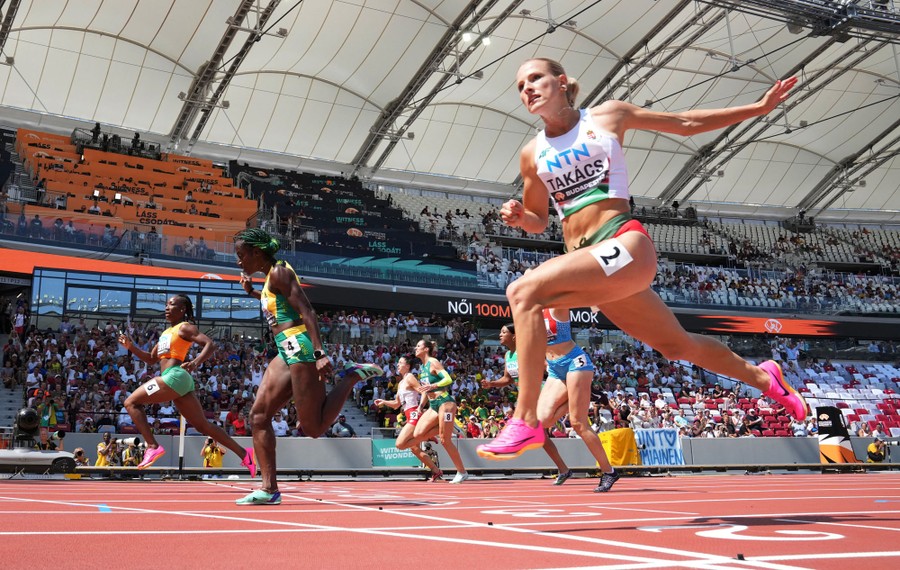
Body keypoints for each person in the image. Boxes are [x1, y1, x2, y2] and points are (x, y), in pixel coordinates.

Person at [476, 58, 808, 459]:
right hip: (592, 265)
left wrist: (757, 109)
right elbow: (537, 219)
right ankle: (766, 377)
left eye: (535, 78)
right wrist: (519, 217)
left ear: (561, 82)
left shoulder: (607, 116)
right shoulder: (532, 153)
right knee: (677, 346)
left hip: (624, 244)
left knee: (523, 290)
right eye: (519, 86)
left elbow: (685, 123)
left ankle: (525, 419)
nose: (526, 88)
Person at [233, 228, 382, 505]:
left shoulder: (279, 272)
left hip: (300, 347)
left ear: (256, 252)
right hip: (284, 348)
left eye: (241, 255)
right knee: (258, 417)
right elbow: (280, 308)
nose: (238, 261)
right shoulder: (269, 279)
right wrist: (253, 293)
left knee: (313, 429)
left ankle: (349, 378)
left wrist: (319, 353)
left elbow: (307, 311)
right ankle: (269, 489)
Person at [117, 294, 256, 473]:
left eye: (172, 304)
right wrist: (131, 347)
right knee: (203, 425)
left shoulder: (185, 328)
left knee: (131, 403)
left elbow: (210, 344)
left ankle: (152, 446)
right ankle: (245, 454)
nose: (167, 307)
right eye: (166, 304)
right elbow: (151, 359)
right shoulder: (166, 333)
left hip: (174, 376)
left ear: (182, 310)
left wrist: (196, 362)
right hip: (178, 381)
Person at [480, 323, 572, 485]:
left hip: (540, 393)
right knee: (542, 437)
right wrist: (492, 384)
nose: (500, 335)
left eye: (503, 332)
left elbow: (548, 368)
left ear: (514, 336)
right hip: (526, 397)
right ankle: (564, 470)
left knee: (538, 429)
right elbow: (508, 379)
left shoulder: (527, 351)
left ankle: (565, 404)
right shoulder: (508, 355)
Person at [373, 355, 443, 481]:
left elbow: (424, 392)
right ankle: (436, 471)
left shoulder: (410, 377)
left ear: (407, 366)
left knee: (400, 444)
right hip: (408, 414)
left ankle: (429, 433)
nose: (398, 365)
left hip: (414, 414)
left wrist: (419, 408)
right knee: (414, 448)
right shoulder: (400, 383)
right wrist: (383, 401)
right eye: (398, 363)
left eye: (400, 363)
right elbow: (396, 404)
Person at [412, 339, 469, 484]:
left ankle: (462, 472)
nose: (415, 348)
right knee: (418, 434)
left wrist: (433, 386)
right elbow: (425, 389)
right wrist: (420, 407)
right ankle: (448, 426)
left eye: (418, 346)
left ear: (426, 349)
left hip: (445, 402)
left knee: (445, 440)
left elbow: (448, 379)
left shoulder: (433, 362)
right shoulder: (422, 367)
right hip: (433, 405)